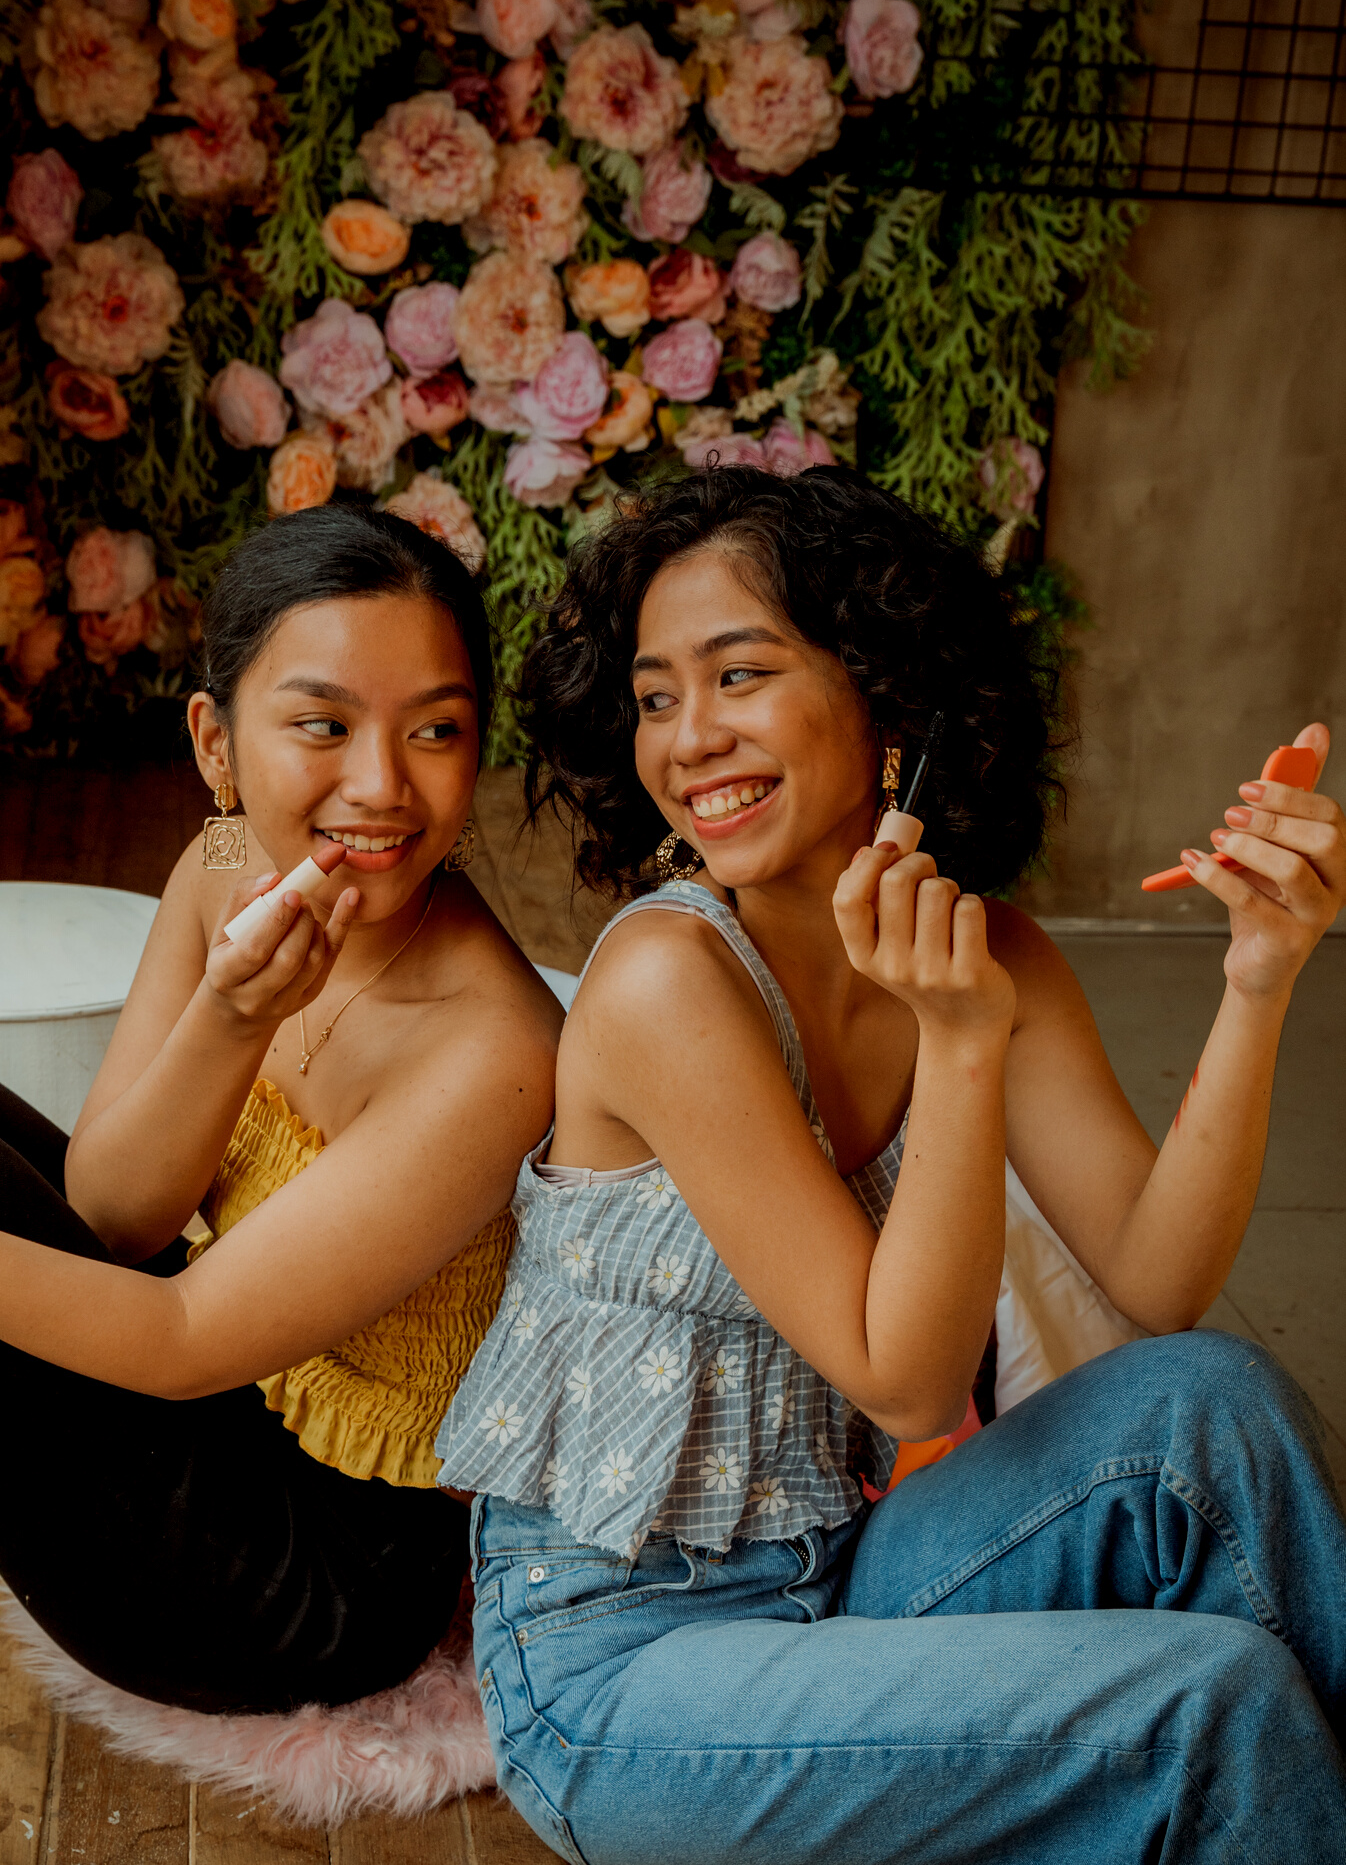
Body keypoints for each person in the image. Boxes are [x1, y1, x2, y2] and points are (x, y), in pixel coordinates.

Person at [434, 465, 1346, 1863]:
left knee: (1208, 1405)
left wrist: (1258, 977)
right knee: (1207, 1702)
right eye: (656, 694)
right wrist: (958, 1044)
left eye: (738, 674)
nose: (687, 738)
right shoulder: (668, 979)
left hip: (844, 1581)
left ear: (890, 700)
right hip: (620, 1678)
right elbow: (909, 1377)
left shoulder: (988, 948)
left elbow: (1156, 1279)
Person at [0, 503, 560, 1715]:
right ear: (216, 742)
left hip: (322, 1574)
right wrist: (231, 1018)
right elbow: (117, 1213)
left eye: (436, 730)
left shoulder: (496, 1049)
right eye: (322, 724)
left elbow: (184, 1338)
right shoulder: (221, 865)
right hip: (222, 1409)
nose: (381, 784)